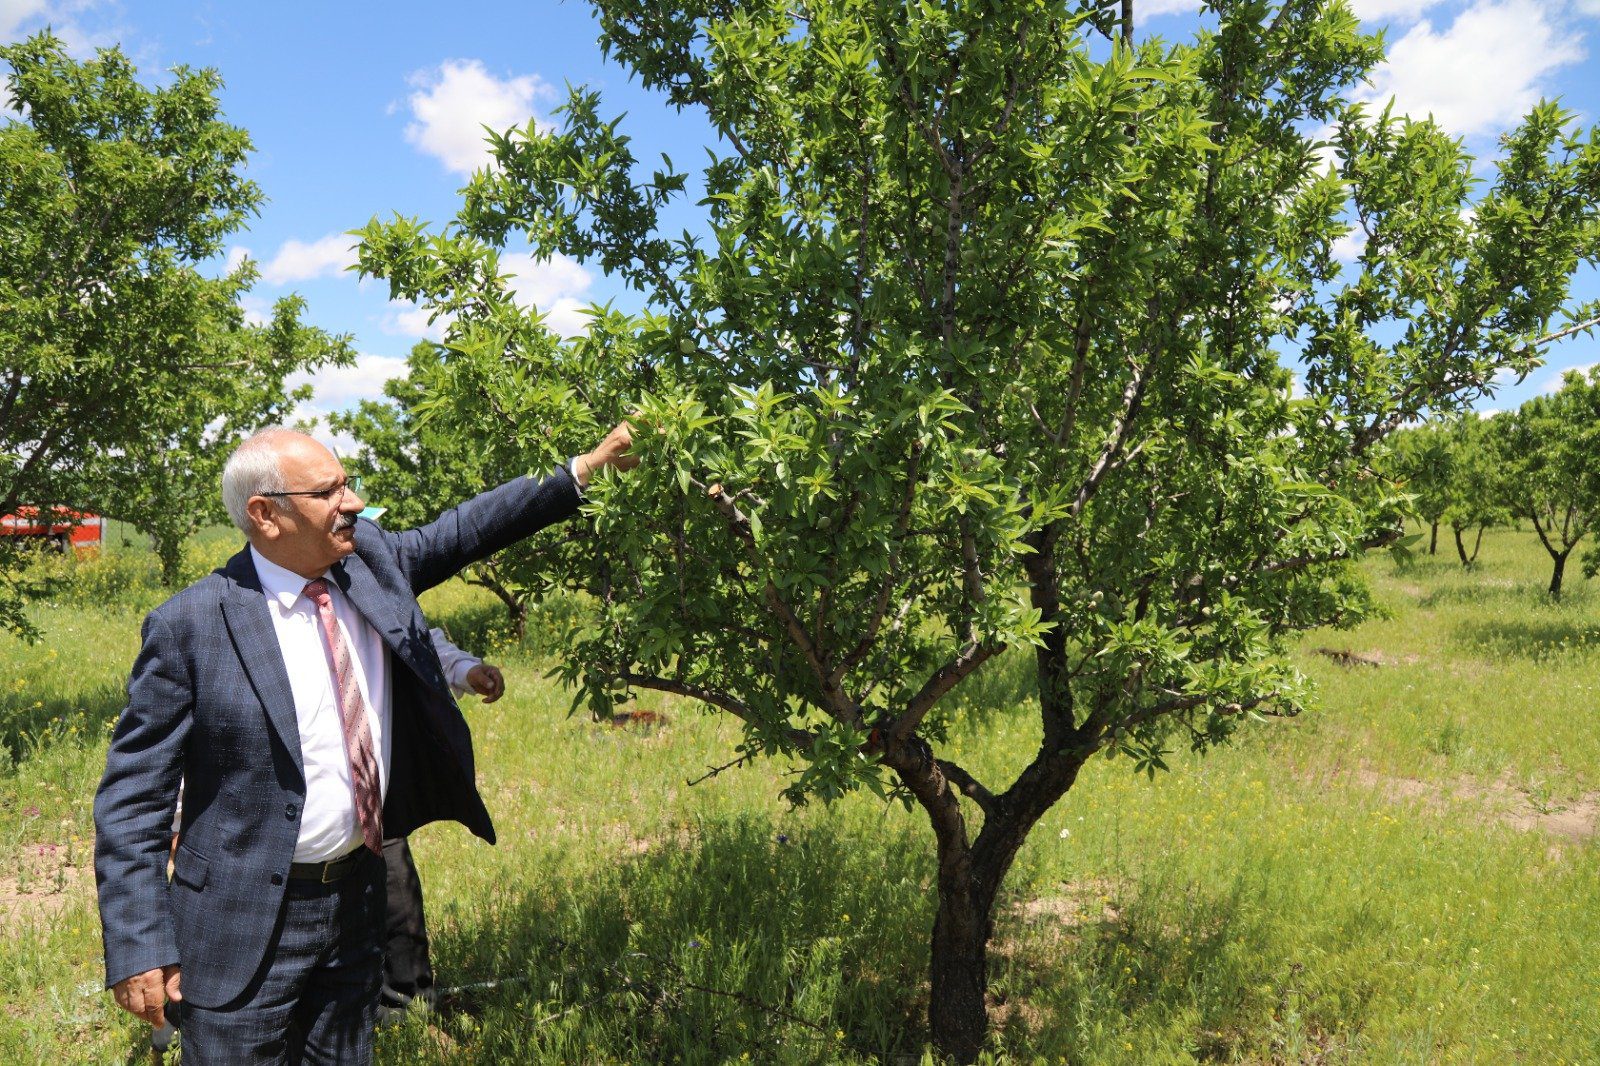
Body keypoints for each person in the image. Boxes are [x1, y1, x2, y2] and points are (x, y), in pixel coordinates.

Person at [93, 423, 634, 1064]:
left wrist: (584, 470)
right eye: (329, 491)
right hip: (240, 919)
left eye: (347, 484)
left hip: (356, 902)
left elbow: (467, 529)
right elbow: (134, 796)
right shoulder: (192, 624)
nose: (351, 502)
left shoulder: (368, 562)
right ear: (265, 515)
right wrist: (139, 941)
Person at [378, 626, 503, 1021]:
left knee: (392, 876)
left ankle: (407, 1002)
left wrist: (466, 670)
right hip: (300, 795)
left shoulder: (360, 579)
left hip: (370, 780)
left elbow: (414, 634)